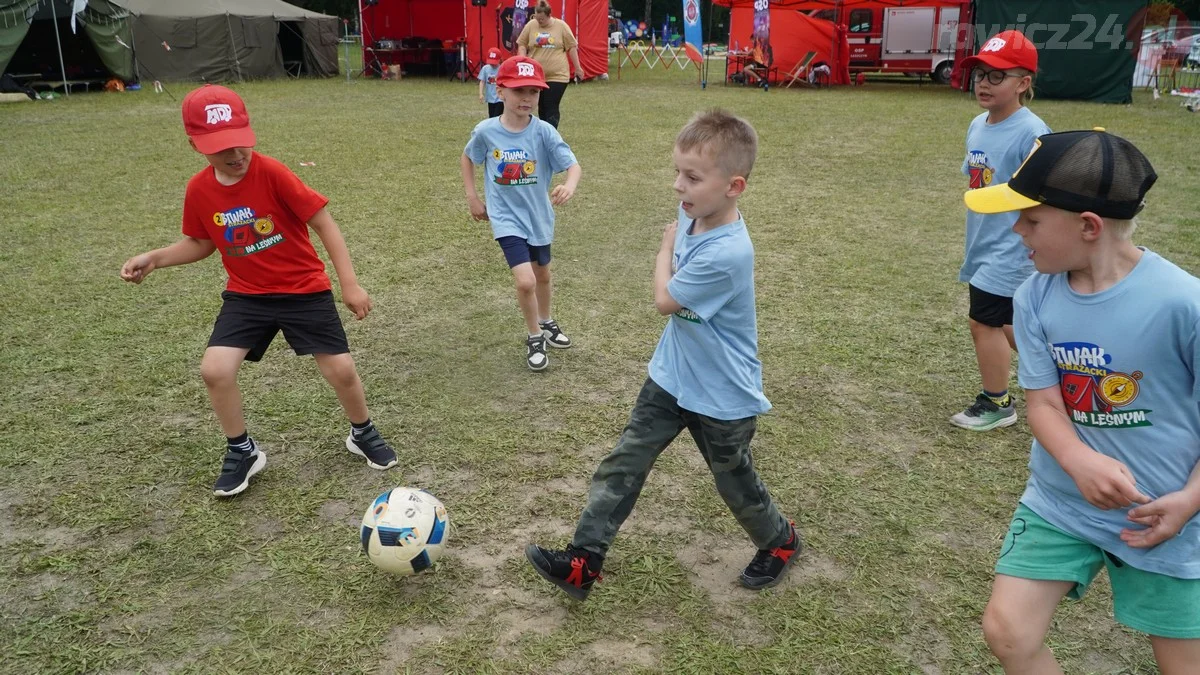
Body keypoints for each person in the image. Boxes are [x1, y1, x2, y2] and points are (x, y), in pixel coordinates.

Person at [525, 109, 799, 601]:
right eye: (677, 172)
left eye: (692, 177)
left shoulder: (729, 252)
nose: (678, 186)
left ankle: (780, 541)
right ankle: (583, 562)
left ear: (734, 186)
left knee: (735, 482)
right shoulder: (692, 211)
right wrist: (675, 240)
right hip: (671, 377)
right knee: (623, 463)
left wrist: (662, 252)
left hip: (722, 395)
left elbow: (664, 300)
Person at [966, 128, 1200, 672]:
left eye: (1031, 220)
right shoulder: (1033, 295)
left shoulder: (1183, 304)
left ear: (1088, 227)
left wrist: (1190, 500)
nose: (1016, 229)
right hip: (1060, 501)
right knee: (1008, 631)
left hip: (1165, 516)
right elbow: (1044, 403)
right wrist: (1078, 461)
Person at [119, 84, 398, 498]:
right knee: (215, 370)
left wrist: (350, 284)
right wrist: (155, 258)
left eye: (239, 143)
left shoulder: (272, 172)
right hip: (247, 295)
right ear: (194, 143)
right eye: (220, 147)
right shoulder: (199, 190)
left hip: (304, 290)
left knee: (339, 369)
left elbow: (324, 222)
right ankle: (242, 450)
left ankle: (362, 431)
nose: (235, 155)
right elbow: (202, 243)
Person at [951, 30, 1051, 431]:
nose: (983, 83)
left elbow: (1041, 194)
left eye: (997, 76)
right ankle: (1063, 377)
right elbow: (978, 180)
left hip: (1011, 246)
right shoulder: (978, 124)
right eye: (980, 75)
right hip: (982, 240)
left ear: (1024, 83)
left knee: (984, 321)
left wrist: (1030, 239)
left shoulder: (1032, 131)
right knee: (1010, 322)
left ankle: (998, 402)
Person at [460, 56, 582, 371]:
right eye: (518, 91)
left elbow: (573, 165)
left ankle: (547, 319)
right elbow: (468, 158)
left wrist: (569, 184)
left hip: (539, 217)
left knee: (542, 274)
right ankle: (534, 336)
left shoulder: (543, 132)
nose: (526, 98)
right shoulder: (486, 132)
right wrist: (472, 196)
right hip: (505, 218)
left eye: (533, 92)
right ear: (499, 91)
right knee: (526, 281)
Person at [515, 0, 585, 128]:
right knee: (541, 107)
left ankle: (552, 135)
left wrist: (578, 68)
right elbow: (522, 44)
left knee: (551, 104)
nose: (539, 21)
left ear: (549, 15)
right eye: (537, 18)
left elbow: (572, 47)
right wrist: (522, 60)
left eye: (541, 19)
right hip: (537, 76)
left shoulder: (561, 26)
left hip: (557, 75)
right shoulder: (531, 25)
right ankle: (545, 134)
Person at [478, 48, 502, 118]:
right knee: (491, 116)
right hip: (490, 98)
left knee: (496, 116)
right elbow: (482, 82)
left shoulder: (501, 69)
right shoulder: (485, 69)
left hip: (500, 98)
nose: (492, 64)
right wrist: (481, 94)